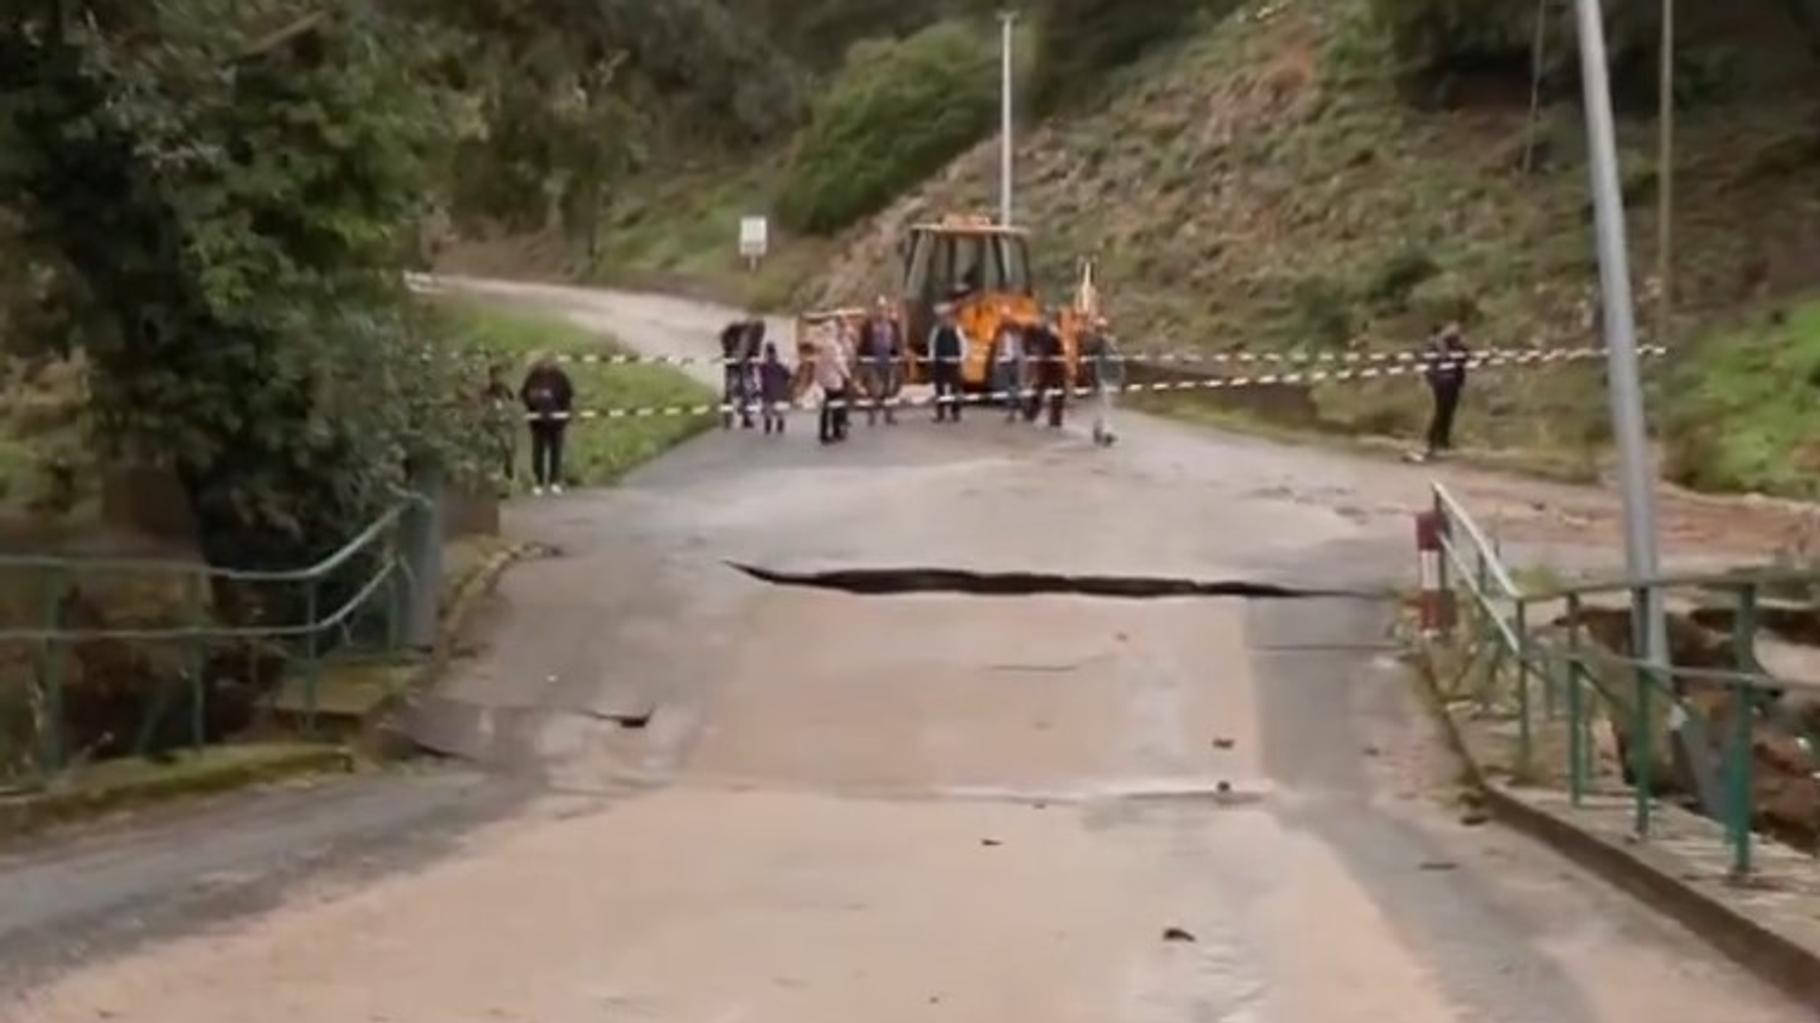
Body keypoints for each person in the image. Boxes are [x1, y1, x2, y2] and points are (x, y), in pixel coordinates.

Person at [520, 352, 574, 496]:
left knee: (555, 451)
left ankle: (554, 481)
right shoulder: (533, 377)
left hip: (556, 421)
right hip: (538, 421)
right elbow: (525, 395)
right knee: (538, 451)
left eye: (549, 362)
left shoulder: (560, 377)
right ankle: (538, 481)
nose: (546, 364)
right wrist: (533, 406)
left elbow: (568, 396)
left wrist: (565, 413)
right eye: (544, 362)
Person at [1422, 322, 1469, 460]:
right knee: (1442, 410)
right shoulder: (1436, 344)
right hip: (1441, 380)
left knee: (1449, 410)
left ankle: (1443, 439)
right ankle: (1432, 440)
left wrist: (1463, 345)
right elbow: (1439, 359)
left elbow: (1465, 356)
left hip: (1453, 380)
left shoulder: (1456, 345)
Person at [858, 299, 902, 427]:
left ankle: (889, 415)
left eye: (883, 308)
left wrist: (899, 353)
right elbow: (863, 342)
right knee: (873, 389)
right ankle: (871, 416)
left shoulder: (893, 324)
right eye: (878, 308)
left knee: (889, 389)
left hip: (889, 359)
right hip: (872, 359)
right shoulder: (868, 325)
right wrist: (861, 357)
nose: (881, 311)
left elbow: (898, 340)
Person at [1084, 317, 1123, 447]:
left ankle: (1099, 430)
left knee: (1107, 406)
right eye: (1100, 328)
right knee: (1104, 405)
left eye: (1103, 328)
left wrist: (1121, 376)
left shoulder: (1111, 341)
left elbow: (1118, 359)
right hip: (1102, 376)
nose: (1102, 330)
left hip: (1112, 377)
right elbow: (1089, 351)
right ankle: (1105, 433)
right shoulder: (1097, 341)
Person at [929, 304, 970, 423]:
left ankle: (955, 412)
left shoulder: (957, 330)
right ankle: (940, 413)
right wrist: (932, 359)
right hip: (940, 362)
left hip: (954, 363)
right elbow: (932, 345)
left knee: (955, 389)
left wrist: (962, 359)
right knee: (939, 389)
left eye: (947, 317)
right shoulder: (936, 330)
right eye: (942, 317)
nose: (945, 320)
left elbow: (964, 345)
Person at [1026, 312, 1068, 428]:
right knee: (1042, 390)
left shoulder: (1052, 333)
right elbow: (1046, 347)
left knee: (1053, 392)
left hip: (1054, 367)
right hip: (1049, 366)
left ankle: (1054, 419)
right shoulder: (1046, 333)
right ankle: (1033, 414)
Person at [814, 329, 854, 445]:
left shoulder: (824, 345)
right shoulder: (833, 346)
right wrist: (848, 376)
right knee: (836, 405)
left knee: (830, 405)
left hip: (826, 379)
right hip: (834, 380)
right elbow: (839, 363)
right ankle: (833, 432)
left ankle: (830, 431)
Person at [480, 362, 517, 485]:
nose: (499, 378)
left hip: (507, 426)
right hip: (493, 426)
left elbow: (512, 406)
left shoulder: (508, 392)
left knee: (508, 451)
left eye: (501, 375)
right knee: (494, 452)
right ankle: (494, 478)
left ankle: (508, 477)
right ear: (491, 377)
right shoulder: (486, 393)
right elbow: (484, 409)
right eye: (496, 376)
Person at [720, 318, 758, 430]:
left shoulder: (749, 335)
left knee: (743, 390)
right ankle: (731, 418)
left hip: (741, 364)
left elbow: (752, 351)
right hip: (736, 364)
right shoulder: (738, 332)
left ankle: (742, 418)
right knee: (735, 389)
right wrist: (732, 352)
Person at [991, 321, 1026, 423]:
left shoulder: (1018, 338)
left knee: (1015, 387)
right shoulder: (1002, 338)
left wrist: (1022, 363)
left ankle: (1015, 409)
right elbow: (998, 350)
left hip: (1014, 363)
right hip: (1005, 363)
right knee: (1007, 387)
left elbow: (1021, 351)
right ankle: (1011, 410)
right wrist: (996, 362)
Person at [759, 342, 793, 436]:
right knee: (780, 411)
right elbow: (788, 375)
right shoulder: (780, 365)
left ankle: (768, 427)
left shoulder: (763, 366)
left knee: (768, 409)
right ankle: (780, 427)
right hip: (780, 390)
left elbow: (761, 376)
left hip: (768, 390)